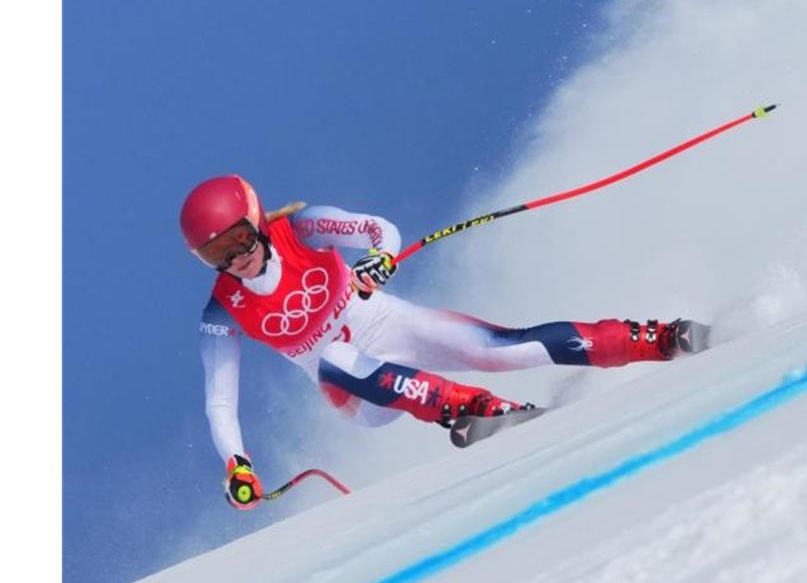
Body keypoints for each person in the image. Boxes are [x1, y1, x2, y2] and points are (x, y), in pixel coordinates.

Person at [181, 174, 711, 509]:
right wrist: (237, 463)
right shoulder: (223, 307)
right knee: (336, 357)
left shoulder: (303, 227)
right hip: (355, 390)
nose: (235, 259)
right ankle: (475, 410)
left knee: (501, 348)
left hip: (392, 326)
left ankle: (661, 339)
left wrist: (378, 257)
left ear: (257, 221)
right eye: (217, 255)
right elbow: (219, 397)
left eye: (239, 240)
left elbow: (376, 230)